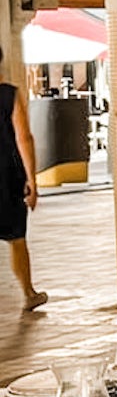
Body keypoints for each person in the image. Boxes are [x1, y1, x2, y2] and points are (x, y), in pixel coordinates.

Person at [0, 48, 46, 311]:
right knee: (17, 239)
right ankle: (29, 293)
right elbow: (23, 137)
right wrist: (32, 180)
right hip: (7, 177)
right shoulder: (9, 95)